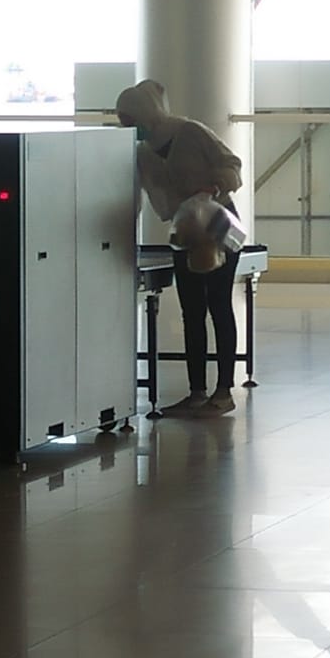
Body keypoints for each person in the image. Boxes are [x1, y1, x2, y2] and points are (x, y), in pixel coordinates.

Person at [116, 79, 244, 418]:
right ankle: (197, 391)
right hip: (185, 228)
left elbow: (231, 164)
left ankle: (223, 390)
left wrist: (213, 187)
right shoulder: (143, 151)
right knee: (192, 309)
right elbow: (141, 194)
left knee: (219, 303)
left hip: (217, 221)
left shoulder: (191, 132)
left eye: (131, 120)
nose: (130, 128)